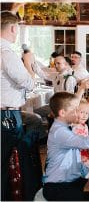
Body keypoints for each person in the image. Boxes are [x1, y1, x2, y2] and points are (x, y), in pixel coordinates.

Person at [1, 11, 35, 201]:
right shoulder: (6, 54)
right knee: (6, 164)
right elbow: (29, 83)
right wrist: (28, 64)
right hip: (6, 117)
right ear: (13, 28)